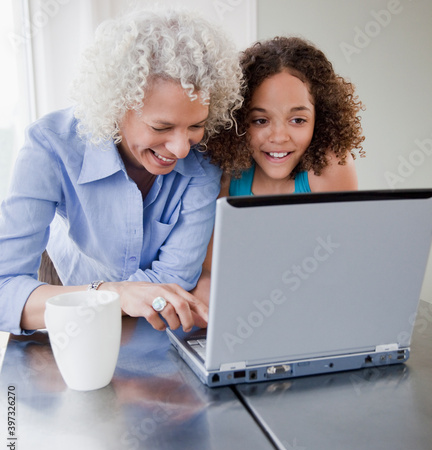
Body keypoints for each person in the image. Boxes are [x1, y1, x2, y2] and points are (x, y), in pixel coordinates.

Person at [0, 6, 243, 335]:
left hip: (144, 327)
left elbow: (175, 278)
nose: (182, 148)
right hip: (67, 293)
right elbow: (4, 292)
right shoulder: (50, 145)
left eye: (196, 125)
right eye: (161, 126)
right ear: (116, 106)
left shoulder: (202, 158)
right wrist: (114, 294)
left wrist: (123, 297)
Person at [193, 36, 365, 302]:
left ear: (320, 119)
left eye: (298, 120)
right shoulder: (228, 175)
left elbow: (343, 267)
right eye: (260, 120)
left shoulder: (330, 167)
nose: (279, 136)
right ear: (239, 122)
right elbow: (209, 273)